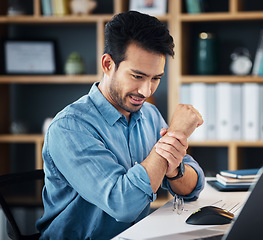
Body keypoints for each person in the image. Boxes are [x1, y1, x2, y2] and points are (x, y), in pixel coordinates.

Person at [36, 11, 205, 239]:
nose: (146, 91)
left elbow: (192, 188)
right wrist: (172, 136)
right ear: (108, 64)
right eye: (137, 76)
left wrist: (174, 170)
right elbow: (123, 204)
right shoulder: (70, 128)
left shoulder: (150, 115)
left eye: (156, 79)